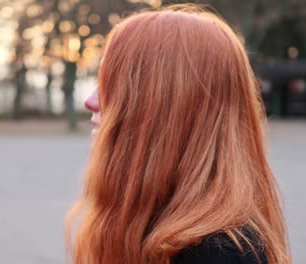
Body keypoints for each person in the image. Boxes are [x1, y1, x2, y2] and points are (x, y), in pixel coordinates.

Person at [66, 4, 291, 264]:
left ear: (168, 107)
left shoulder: (217, 255)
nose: (90, 100)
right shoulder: (158, 227)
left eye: (111, 83)